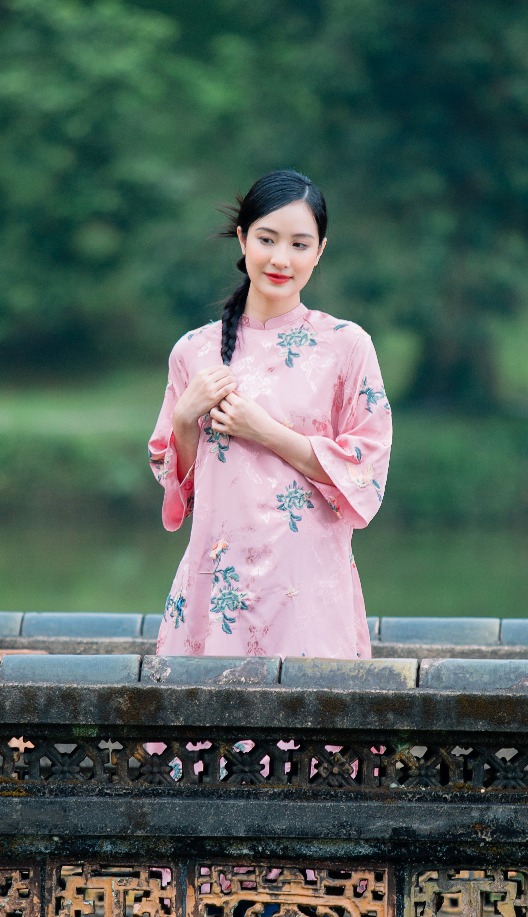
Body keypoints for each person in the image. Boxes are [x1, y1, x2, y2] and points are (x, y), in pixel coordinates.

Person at [148, 169, 392, 658]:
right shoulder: (194, 351)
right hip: (218, 583)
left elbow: (366, 474)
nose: (281, 259)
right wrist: (183, 422)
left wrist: (264, 431)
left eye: (300, 244)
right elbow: (184, 492)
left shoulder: (346, 347)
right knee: (209, 730)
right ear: (242, 239)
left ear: (320, 251)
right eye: (266, 239)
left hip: (306, 583)